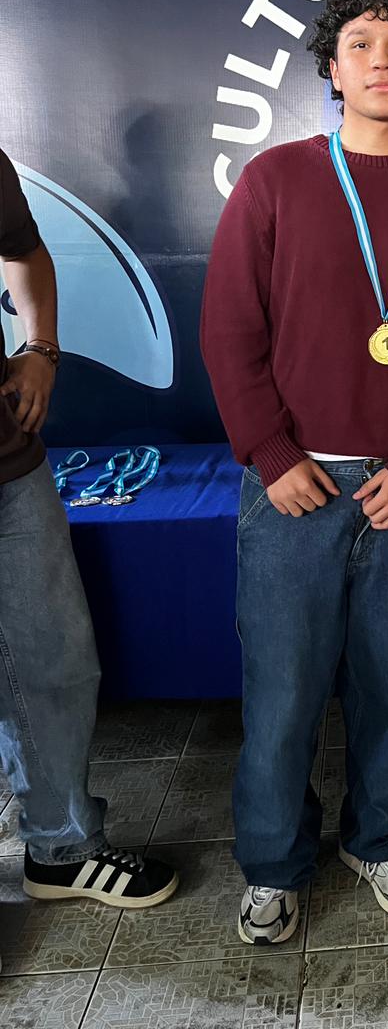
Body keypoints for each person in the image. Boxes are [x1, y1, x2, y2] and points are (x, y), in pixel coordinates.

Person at [201, 0, 388, 946]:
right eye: (362, 42)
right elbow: (229, 330)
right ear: (332, 68)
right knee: (282, 693)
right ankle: (273, 861)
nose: (382, 59)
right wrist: (271, 452)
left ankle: (383, 838)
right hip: (294, 487)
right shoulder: (274, 181)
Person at [0, 146, 178, 930]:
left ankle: (61, 848)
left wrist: (40, 349)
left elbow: (23, 249)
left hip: (10, 462)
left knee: (56, 658)